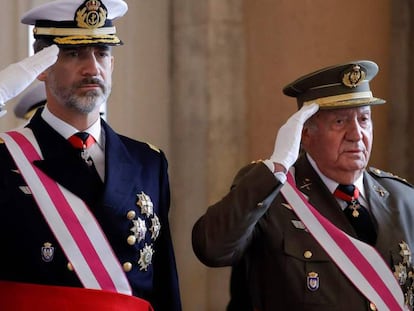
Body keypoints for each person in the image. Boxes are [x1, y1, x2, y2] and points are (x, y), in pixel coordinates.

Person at [0, 1, 181, 310]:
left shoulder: (147, 161)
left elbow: (164, 284)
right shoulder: (6, 159)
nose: (92, 68)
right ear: (41, 68)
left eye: (102, 53)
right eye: (74, 54)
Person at [192, 60, 414, 310]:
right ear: (305, 133)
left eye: (364, 120)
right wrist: (276, 168)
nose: (356, 134)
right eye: (340, 122)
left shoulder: (403, 198)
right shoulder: (271, 193)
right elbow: (211, 248)